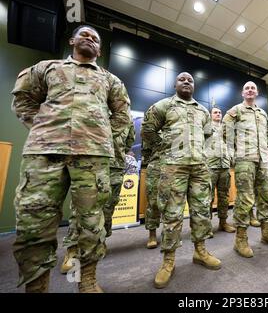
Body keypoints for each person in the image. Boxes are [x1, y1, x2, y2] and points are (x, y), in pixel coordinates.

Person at [11, 25, 132, 293]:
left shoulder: (110, 80)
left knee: (91, 222)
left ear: (99, 50)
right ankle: (37, 286)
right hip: (44, 154)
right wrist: (43, 128)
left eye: (95, 38)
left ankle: (87, 279)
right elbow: (23, 100)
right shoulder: (47, 68)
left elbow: (122, 115)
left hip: (93, 156)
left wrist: (98, 134)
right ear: (72, 40)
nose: (89, 38)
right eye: (85, 34)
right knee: (34, 220)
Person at [142, 72, 221, 289]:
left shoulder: (203, 111)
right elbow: (148, 130)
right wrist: (166, 148)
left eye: (190, 80)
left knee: (202, 210)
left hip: (199, 167)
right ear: (175, 84)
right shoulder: (163, 105)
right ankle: (168, 261)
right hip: (172, 167)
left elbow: (206, 135)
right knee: (172, 213)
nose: (186, 82)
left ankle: (200, 251)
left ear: (194, 86)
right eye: (182, 79)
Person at [60, 123, 135, 273]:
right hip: (89, 160)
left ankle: (100, 241)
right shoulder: (93, 105)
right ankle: (72, 249)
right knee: (81, 206)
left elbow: (128, 142)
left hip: (114, 165)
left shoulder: (124, 113)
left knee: (109, 206)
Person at [223, 81, 268, 258]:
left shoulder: (262, 113)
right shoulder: (235, 110)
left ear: (256, 93)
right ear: (242, 93)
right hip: (245, 160)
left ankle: (266, 233)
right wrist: (234, 151)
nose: (250, 90)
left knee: (265, 196)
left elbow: (267, 134)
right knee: (245, 199)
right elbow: (224, 132)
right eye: (246, 88)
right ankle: (240, 239)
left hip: (263, 161)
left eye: (252, 88)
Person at [206, 106, 235, 234]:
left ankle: (223, 222)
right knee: (208, 197)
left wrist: (231, 158)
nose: (218, 114)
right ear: (211, 115)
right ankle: (206, 226)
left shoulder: (226, 129)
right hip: (210, 166)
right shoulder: (206, 127)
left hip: (224, 166)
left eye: (219, 112)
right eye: (215, 112)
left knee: (224, 196)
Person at [142, 125, 162, 249]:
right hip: (155, 167)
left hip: (175, 168)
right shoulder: (153, 130)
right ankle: (152, 234)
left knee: (173, 203)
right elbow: (146, 150)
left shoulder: (177, 127)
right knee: (153, 202)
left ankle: (170, 232)